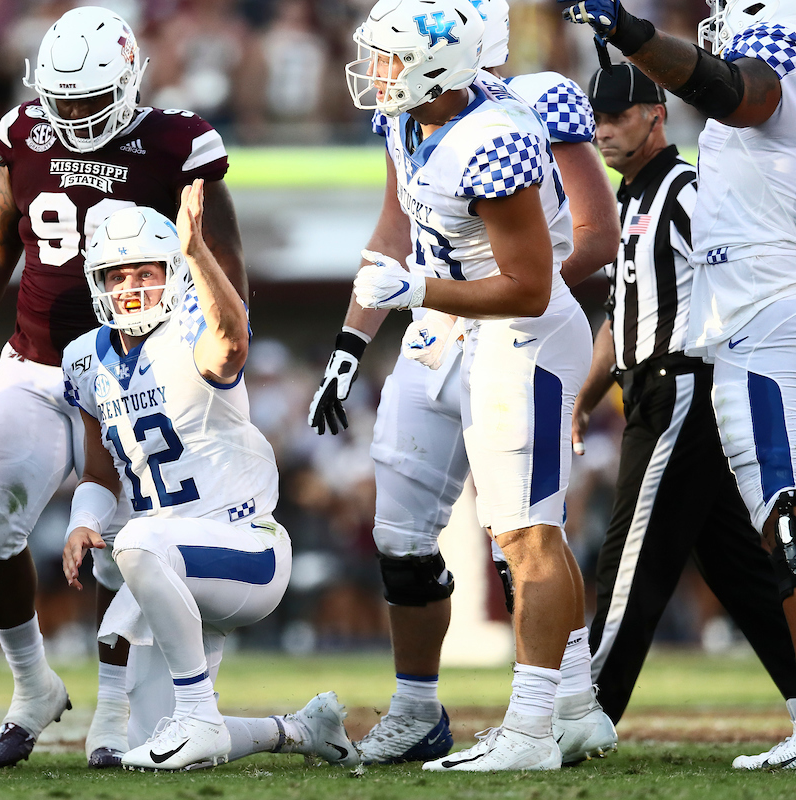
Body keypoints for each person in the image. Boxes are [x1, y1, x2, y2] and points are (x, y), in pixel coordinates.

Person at [0, 5, 246, 769]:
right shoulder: (23, 130)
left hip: (139, 365)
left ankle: (112, 713)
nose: (69, 116)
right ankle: (31, 684)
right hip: (38, 363)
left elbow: (226, 264)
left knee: (122, 546)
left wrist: (216, 362)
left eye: (87, 101)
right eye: (60, 100)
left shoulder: (178, 142)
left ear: (130, 82)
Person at [309, 0, 618, 767]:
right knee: (401, 534)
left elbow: (529, 287)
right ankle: (425, 712)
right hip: (438, 332)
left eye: (389, 58)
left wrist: (417, 292)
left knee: (524, 534)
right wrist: (350, 344)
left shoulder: (499, 136)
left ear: (439, 66)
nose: (374, 74)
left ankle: (534, 727)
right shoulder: (406, 119)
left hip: (518, 336)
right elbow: (393, 230)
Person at [561, 0, 796, 769]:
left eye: (619, 113)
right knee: (739, 559)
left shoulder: (690, 192)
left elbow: (748, 93)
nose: (604, 127)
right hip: (661, 380)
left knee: (632, 552)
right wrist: (590, 390)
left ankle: (589, 704)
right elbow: (624, 312)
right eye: (598, 116)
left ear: (657, 114)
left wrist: (630, 29)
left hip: (687, 380)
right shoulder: (635, 201)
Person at [60, 188, 358, 772]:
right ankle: (297, 730)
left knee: (138, 541)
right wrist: (82, 522)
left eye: (146, 272)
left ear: (173, 274)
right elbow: (99, 469)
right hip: (172, 566)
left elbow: (233, 341)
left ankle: (198, 710)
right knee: (147, 740)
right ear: (98, 283)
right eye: (117, 276)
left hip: (247, 549)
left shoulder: (194, 330)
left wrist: (199, 252)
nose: (132, 288)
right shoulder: (84, 360)